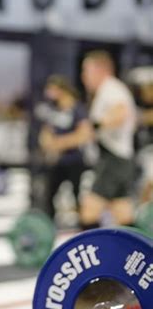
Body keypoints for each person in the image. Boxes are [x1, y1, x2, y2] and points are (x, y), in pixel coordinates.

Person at [80, 51, 137, 228]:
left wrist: (96, 125)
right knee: (123, 214)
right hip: (121, 159)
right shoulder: (110, 90)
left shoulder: (110, 88)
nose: (83, 77)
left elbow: (121, 112)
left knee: (89, 212)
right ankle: (142, 254)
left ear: (100, 70)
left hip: (114, 159)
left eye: (86, 71)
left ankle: (93, 254)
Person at [38, 75, 91, 222]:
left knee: (78, 195)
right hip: (58, 161)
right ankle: (48, 226)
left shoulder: (77, 109)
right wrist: (47, 143)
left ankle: (85, 228)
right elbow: (46, 133)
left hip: (74, 160)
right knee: (49, 195)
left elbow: (84, 134)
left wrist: (60, 143)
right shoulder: (53, 109)